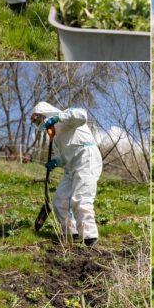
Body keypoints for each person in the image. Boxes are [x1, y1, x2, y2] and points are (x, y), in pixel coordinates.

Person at [30, 101, 102, 246]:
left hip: (86, 160)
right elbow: (63, 155)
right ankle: (71, 232)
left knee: (80, 199)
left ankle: (90, 237)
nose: (37, 123)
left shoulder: (67, 118)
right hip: (71, 168)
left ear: (46, 114)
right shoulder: (55, 136)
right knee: (59, 201)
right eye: (34, 121)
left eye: (38, 119)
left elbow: (82, 115)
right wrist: (56, 161)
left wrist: (59, 117)